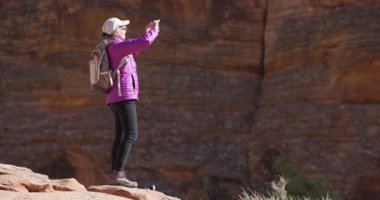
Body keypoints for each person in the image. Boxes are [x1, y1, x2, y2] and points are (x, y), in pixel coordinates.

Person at [101, 17, 160, 187]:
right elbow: (145, 42)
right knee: (131, 134)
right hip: (123, 95)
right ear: (115, 31)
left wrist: (146, 32)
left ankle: (114, 173)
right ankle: (118, 174)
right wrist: (154, 29)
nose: (125, 31)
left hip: (115, 97)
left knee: (120, 135)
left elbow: (136, 48)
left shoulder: (113, 47)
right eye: (123, 28)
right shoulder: (117, 46)